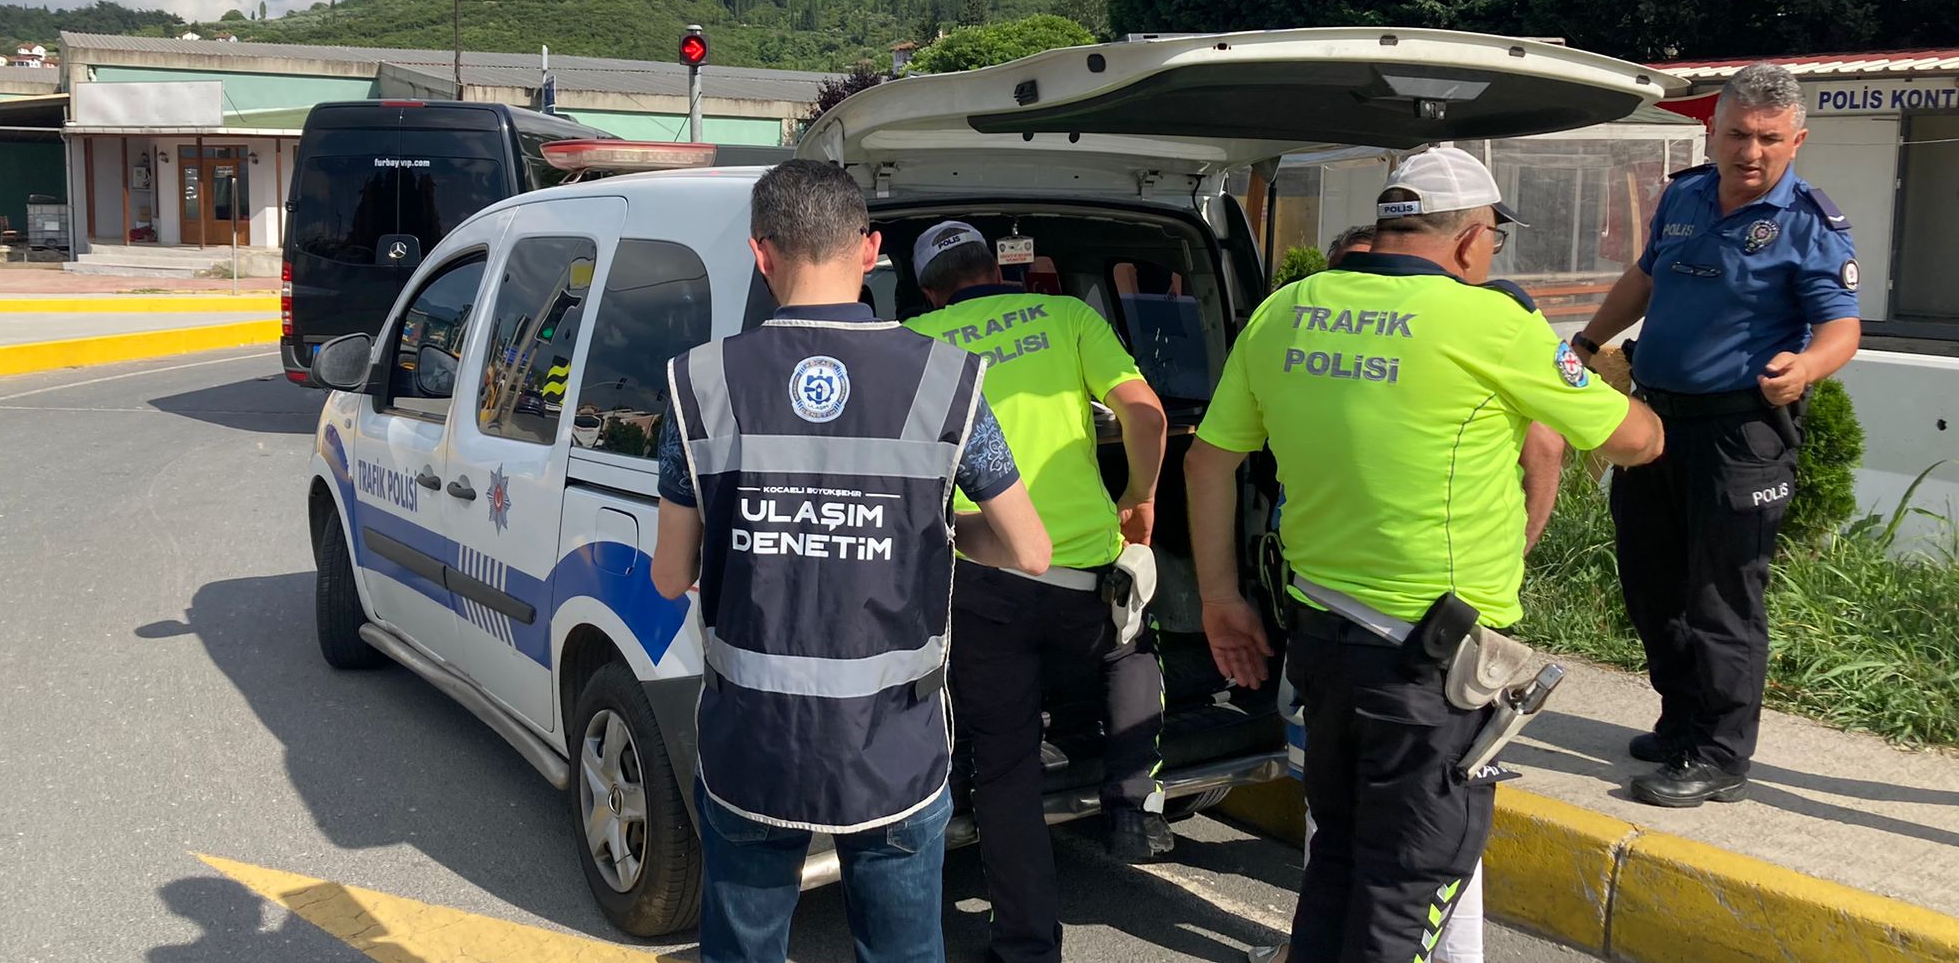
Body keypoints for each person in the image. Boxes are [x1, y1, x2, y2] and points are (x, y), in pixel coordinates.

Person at [1184, 147, 1664, 963]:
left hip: (1322, 643)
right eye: (1494, 242)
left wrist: (1221, 599)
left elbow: (1207, 462)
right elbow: (1634, 442)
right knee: (1406, 889)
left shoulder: (1288, 308)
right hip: (1429, 669)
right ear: (1473, 239)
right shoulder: (1492, 323)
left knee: (1336, 863)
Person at [649, 160, 1054, 963]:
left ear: (761, 255)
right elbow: (1030, 550)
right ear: (870, 250)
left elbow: (670, 575)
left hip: (751, 742)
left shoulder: (698, 382)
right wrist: (925, 530)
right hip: (893, 747)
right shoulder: (945, 380)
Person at [1570, 63, 1861, 808]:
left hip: (1740, 433)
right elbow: (1645, 277)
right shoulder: (1686, 195)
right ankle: (1681, 720)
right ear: (1713, 132)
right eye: (1737, 134)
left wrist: (1806, 368)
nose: (1750, 151)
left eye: (1769, 138)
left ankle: (1721, 753)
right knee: (1650, 581)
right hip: (1656, 421)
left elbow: (1841, 326)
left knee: (1722, 595)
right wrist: (1588, 340)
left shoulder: (1810, 225)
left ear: (1796, 141)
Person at [903, 221, 1173, 963]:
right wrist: (1139, 494)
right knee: (1129, 644)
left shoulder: (913, 341)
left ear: (927, 291)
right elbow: (1146, 414)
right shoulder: (1068, 316)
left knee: (1006, 765)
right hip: (1084, 575)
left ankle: (1026, 946)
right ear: (998, 268)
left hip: (983, 578)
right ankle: (1133, 802)